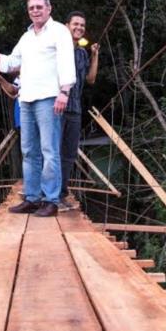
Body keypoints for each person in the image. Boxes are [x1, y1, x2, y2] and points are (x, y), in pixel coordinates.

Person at [0, 0, 75, 217]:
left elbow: (67, 63)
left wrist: (64, 92)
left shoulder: (59, 31)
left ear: (49, 8)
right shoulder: (27, 36)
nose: (35, 10)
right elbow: (11, 63)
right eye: (31, 7)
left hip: (50, 97)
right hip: (26, 99)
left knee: (49, 150)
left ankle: (50, 200)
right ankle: (32, 198)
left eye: (39, 7)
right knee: (29, 151)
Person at [59, 11, 99, 210]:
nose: (79, 28)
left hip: (75, 108)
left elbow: (90, 80)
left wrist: (95, 55)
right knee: (52, 152)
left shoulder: (82, 53)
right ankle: (47, 194)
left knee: (68, 153)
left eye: (82, 25)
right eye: (75, 24)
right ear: (67, 26)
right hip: (57, 107)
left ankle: (61, 194)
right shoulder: (57, 49)